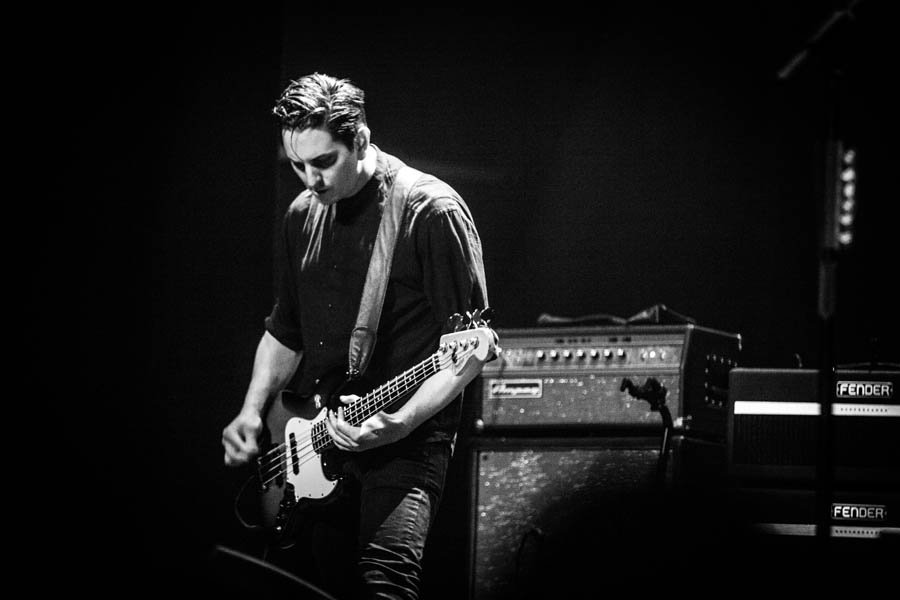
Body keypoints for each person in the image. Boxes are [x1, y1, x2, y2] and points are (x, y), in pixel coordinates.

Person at [221, 72, 490, 599]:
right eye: (297, 165)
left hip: (406, 442)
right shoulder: (302, 216)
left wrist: (402, 420)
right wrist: (252, 409)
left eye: (324, 163)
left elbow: (470, 349)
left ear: (361, 140)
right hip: (316, 440)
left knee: (382, 586)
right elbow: (284, 332)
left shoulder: (430, 211)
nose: (309, 180)